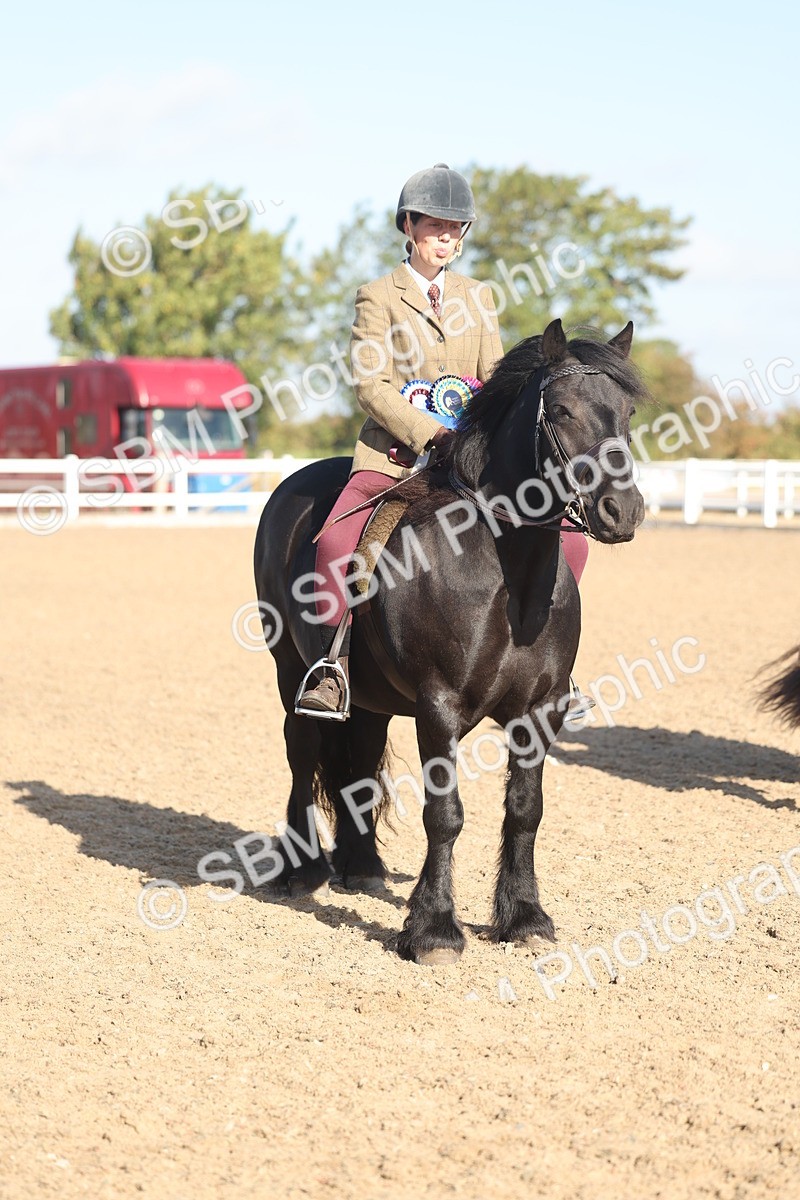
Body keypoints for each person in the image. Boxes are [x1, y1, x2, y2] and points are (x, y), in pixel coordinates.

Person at [298, 163, 590, 718]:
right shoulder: (376, 296)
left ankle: (555, 672)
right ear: (409, 226)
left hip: (473, 461)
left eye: (456, 229)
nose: (447, 238)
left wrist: (487, 437)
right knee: (337, 545)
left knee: (569, 539)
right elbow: (371, 383)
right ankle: (331, 667)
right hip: (396, 454)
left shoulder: (479, 297)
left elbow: (499, 380)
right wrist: (429, 432)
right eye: (436, 225)